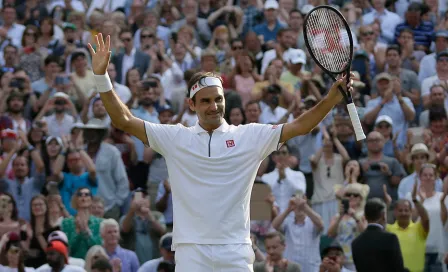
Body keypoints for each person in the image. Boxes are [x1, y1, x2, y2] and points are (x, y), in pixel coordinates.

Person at [88, 33, 354, 271]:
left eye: (218, 99)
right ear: (192, 104)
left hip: (235, 251)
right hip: (191, 253)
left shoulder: (250, 135)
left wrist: (331, 98)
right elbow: (123, 120)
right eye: (205, 101)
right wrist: (101, 78)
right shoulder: (175, 137)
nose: (213, 106)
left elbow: (301, 125)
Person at [351, 198, 408, 272]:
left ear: (365, 216)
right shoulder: (390, 239)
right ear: (383, 215)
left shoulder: (356, 243)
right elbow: (398, 268)